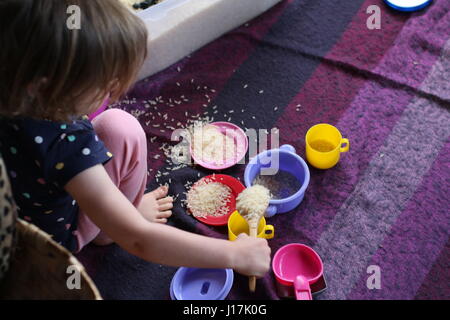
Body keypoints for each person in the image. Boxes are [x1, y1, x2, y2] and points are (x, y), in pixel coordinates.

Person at [0, 0, 270, 278]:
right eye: (102, 83)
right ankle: (108, 228)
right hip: (60, 236)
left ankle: (114, 213)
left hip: (24, 208)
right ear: (45, 87)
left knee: (111, 122)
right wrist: (235, 254)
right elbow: (139, 239)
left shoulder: (13, 88)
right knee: (122, 127)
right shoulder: (66, 146)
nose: (111, 91)